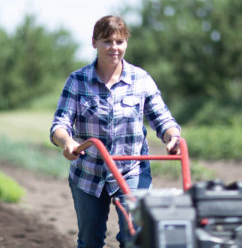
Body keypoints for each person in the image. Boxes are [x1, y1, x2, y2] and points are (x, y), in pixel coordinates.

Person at [50, 15, 181, 248]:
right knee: (90, 240)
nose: (114, 47)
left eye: (120, 42)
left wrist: (173, 138)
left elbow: (162, 119)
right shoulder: (77, 81)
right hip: (89, 172)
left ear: (126, 43)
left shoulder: (141, 80)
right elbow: (60, 125)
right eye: (107, 41)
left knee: (135, 237)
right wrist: (67, 142)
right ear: (94, 43)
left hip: (131, 170)